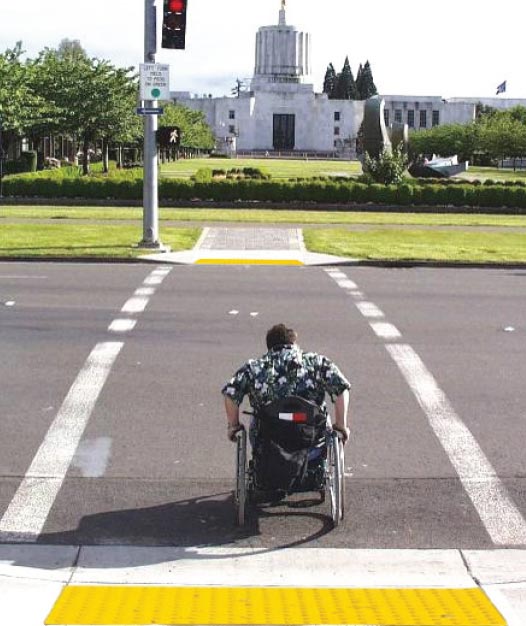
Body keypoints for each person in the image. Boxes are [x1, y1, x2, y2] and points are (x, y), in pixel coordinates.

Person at [222, 323, 351, 444]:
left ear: (270, 347)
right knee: (321, 415)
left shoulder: (254, 367)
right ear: (293, 343)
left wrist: (233, 426)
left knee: (257, 417)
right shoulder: (317, 362)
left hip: (269, 439)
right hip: (309, 436)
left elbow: (231, 394)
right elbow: (341, 388)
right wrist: (341, 425)